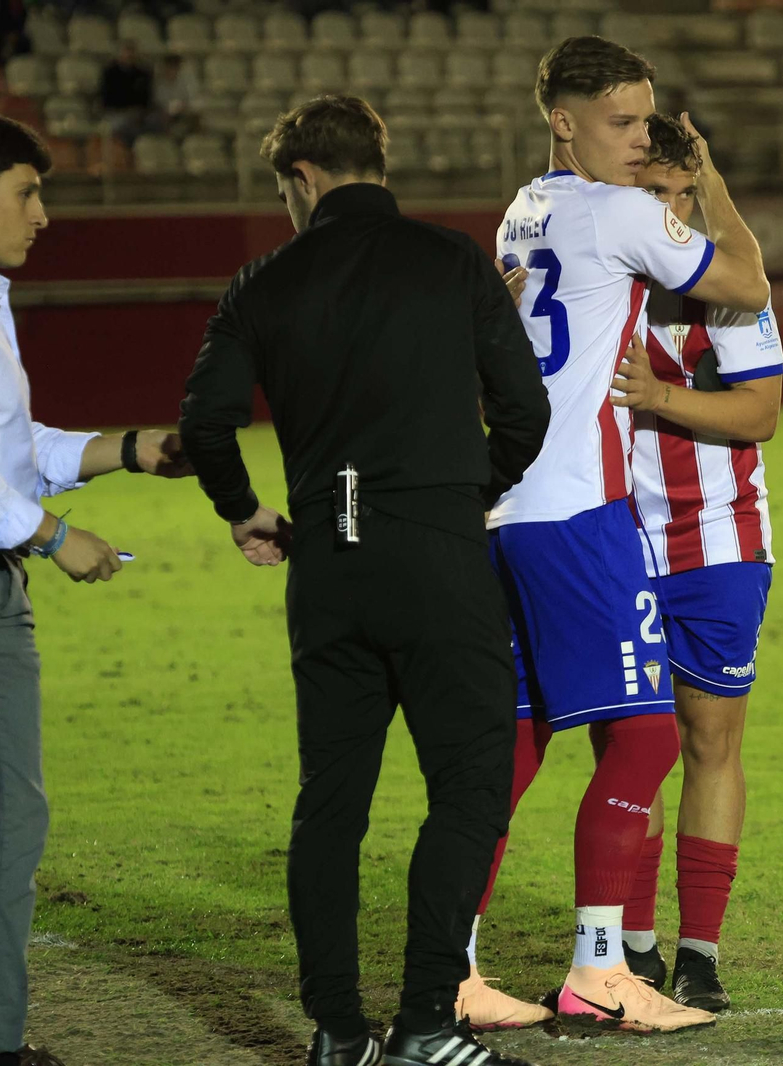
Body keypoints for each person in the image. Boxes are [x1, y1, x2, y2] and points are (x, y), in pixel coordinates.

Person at [177, 94, 549, 1066]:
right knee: (469, 785)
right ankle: (426, 1020)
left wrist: (242, 509)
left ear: (300, 179)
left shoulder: (263, 280)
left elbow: (206, 420)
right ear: (375, 160)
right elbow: (526, 410)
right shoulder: (452, 260)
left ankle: (338, 1031)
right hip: (436, 553)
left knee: (330, 804)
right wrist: (470, 489)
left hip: (328, 562)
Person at [464, 35, 769, 1035]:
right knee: (642, 735)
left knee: (511, 743)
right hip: (578, 506)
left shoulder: (522, 207)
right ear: (563, 118)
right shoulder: (623, 213)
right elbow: (743, 285)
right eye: (623, 121)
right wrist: (706, 181)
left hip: (502, 502)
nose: (642, 139)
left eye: (648, 121)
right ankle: (600, 966)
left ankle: (453, 963)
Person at [0, 100, 192, 1066]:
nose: (43, 216)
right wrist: (50, 536)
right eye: (27, 194)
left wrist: (135, 451)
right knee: (5, 825)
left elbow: (10, 448)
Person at [612, 113, 783, 1013]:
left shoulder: (730, 290)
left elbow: (759, 415)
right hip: (616, 545)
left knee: (710, 744)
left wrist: (660, 396)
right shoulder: (603, 283)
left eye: (688, 194)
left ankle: (699, 954)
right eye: (657, 195)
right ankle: (631, 949)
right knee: (634, 751)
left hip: (721, 550)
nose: (675, 212)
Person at [98, 41, 152, 147]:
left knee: (154, 122)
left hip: (138, 115)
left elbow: (146, 98)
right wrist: (125, 110)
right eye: (126, 51)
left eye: (131, 51)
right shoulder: (110, 72)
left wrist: (139, 111)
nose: (129, 55)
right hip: (116, 113)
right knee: (122, 128)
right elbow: (106, 98)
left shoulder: (142, 73)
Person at [151, 54, 199, 138]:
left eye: (174, 67)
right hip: (164, 114)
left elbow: (191, 98)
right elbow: (158, 101)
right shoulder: (158, 84)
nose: (171, 70)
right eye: (169, 67)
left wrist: (183, 106)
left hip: (183, 112)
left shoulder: (186, 81)